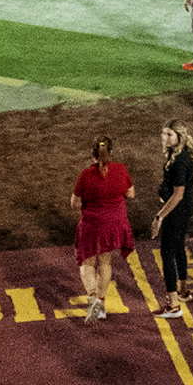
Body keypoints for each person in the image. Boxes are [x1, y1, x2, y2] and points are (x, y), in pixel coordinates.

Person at [69, 134, 135, 318]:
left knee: (86, 261)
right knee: (105, 262)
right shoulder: (121, 170)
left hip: (92, 225)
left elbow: (74, 203)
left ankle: (93, 299)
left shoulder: (86, 176)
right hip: (114, 224)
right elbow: (130, 193)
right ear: (111, 152)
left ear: (93, 154)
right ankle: (101, 302)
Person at [154, 121, 193, 298]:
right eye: (163, 133)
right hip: (184, 207)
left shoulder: (179, 162)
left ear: (179, 137)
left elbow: (178, 194)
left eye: (169, 134)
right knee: (179, 246)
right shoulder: (178, 154)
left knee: (167, 252)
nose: (164, 138)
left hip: (178, 209)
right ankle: (182, 289)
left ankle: (172, 302)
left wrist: (160, 217)